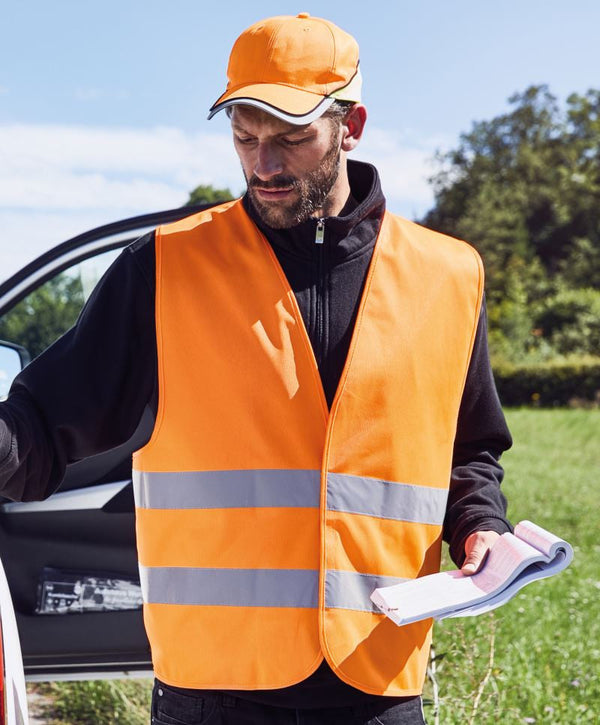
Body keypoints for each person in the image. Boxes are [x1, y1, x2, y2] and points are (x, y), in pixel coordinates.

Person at [0, 13, 512, 725]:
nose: (264, 165)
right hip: (212, 694)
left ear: (351, 124)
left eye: (291, 139)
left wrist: (481, 525)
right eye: (245, 137)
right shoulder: (164, 269)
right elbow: (40, 427)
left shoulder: (450, 276)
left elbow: (469, 449)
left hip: (378, 682)